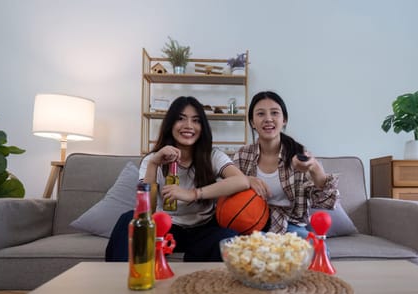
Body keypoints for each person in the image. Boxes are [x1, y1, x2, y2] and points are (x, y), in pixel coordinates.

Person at [106, 96, 249, 262]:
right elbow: (147, 210)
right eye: (181, 119)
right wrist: (154, 164)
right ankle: (118, 281)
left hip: (202, 229)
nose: (188, 126)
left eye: (196, 121)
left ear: (202, 127)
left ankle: (204, 285)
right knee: (128, 219)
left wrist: (193, 194)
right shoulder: (153, 159)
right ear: (170, 125)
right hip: (164, 226)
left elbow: (242, 181)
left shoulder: (213, 155)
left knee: (230, 237)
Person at [233, 91, 338, 238]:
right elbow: (229, 192)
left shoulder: (299, 153)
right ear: (252, 122)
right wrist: (247, 180)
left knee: (315, 249)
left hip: (291, 225)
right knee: (229, 245)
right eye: (261, 114)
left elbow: (325, 200)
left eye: (275, 113)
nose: (268, 119)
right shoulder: (243, 155)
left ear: (284, 120)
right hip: (252, 224)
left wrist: (313, 166)